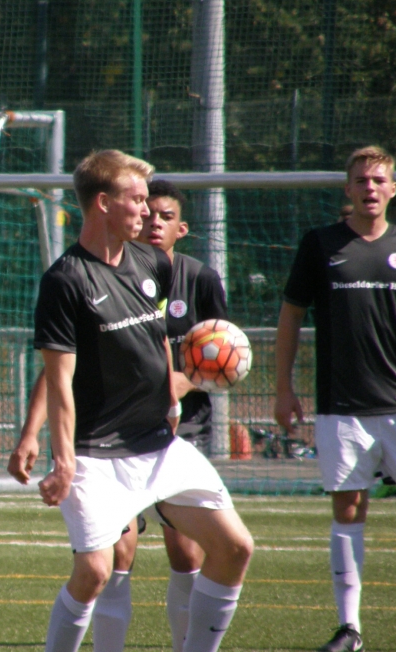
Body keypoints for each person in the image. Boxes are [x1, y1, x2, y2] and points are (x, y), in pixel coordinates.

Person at [31, 149, 252, 652]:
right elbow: (59, 381)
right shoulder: (65, 280)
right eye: (136, 200)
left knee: (235, 547)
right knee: (94, 571)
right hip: (95, 454)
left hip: (157, 444)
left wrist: (172, 400)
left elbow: (158, 337)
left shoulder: (152, 261)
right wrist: (62, 461)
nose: (146, 211)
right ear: (103, 203)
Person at [275, 145, 396, 652]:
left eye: (379, 180)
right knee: (347, 513)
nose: (370, 187)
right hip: (341, 407)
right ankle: (350, 629)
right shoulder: (320, 243)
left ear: (393, 188)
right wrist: (283, 387)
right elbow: (291, 315)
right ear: (348, 188)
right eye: (361, 180)